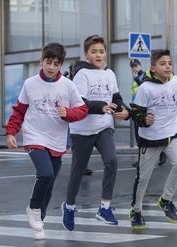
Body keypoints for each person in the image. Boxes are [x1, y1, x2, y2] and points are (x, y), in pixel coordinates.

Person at [6, 43, 88, 240]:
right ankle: (33, 208)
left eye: (56, 64)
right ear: (41, 61)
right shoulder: (30, 84)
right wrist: (11, 132)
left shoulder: (68, 86)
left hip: (57, 139)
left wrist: (68, 113)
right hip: (35, 135)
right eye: (48, 62)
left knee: (50, 183)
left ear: (61, 65)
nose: (51, 67)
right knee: (45, 173)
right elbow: (19, 110)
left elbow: (82, 110)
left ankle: (39, 218)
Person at [61, 35, 130, 231]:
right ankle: (70, 206)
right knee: (78, 170)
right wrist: (101, 107)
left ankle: (105, 208)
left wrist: (124, 112)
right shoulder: (82, 74)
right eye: (94, 52)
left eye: (101, 51)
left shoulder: (110, 73)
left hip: (104, 126)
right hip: (82, 129)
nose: (98, 55)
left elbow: (116, 97)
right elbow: (80, 102)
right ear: (86, 54)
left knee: (112, 160)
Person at [129, 49, 177, 230]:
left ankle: (165, 200)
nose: (167, 66)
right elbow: (135, 112)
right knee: (143, 178)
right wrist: (144, 119)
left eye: (169, 63)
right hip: (150, 139)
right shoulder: (145, 88)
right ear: (153, 68)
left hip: (172, 134)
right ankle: (136, 211)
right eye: (162, 64)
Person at [129, 59, 167, 168]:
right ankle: (142, 160)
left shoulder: (146, 76)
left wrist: (136, 79)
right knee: (139, 136)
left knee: (148, 135)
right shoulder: (134, 79)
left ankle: (162, 154)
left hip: (146, 110)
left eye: (136, 65)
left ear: (140, 65)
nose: (134, 68)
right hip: (137, 109)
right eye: (132, 66)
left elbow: (146, 89)